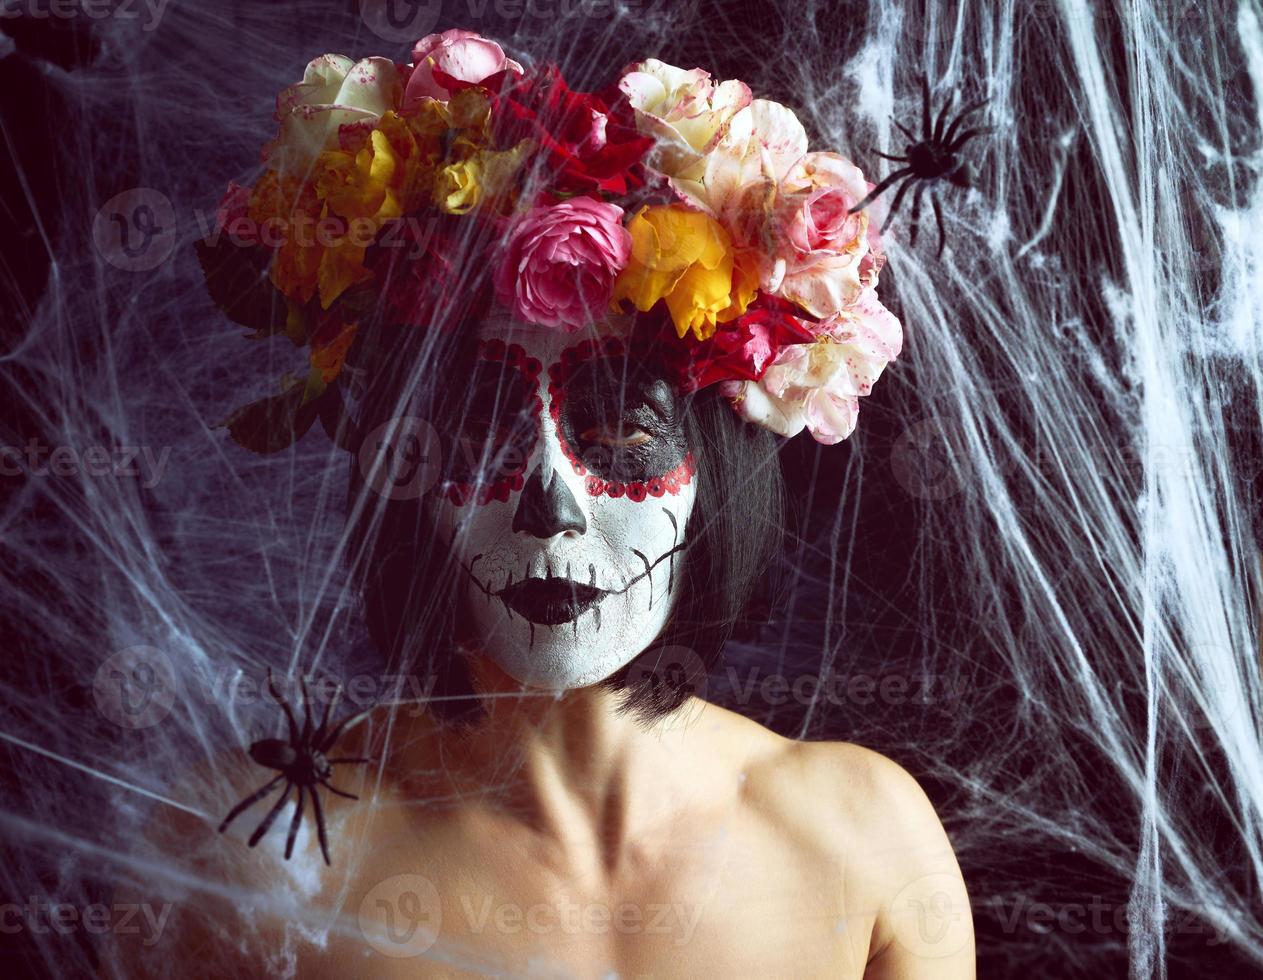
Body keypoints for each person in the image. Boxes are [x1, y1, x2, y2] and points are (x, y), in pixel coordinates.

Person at [117, 29, 974, 978]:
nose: (550, 503)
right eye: (481, 433)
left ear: (719, 469)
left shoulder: (859, 837)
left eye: (615, 432)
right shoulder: (255, 852)